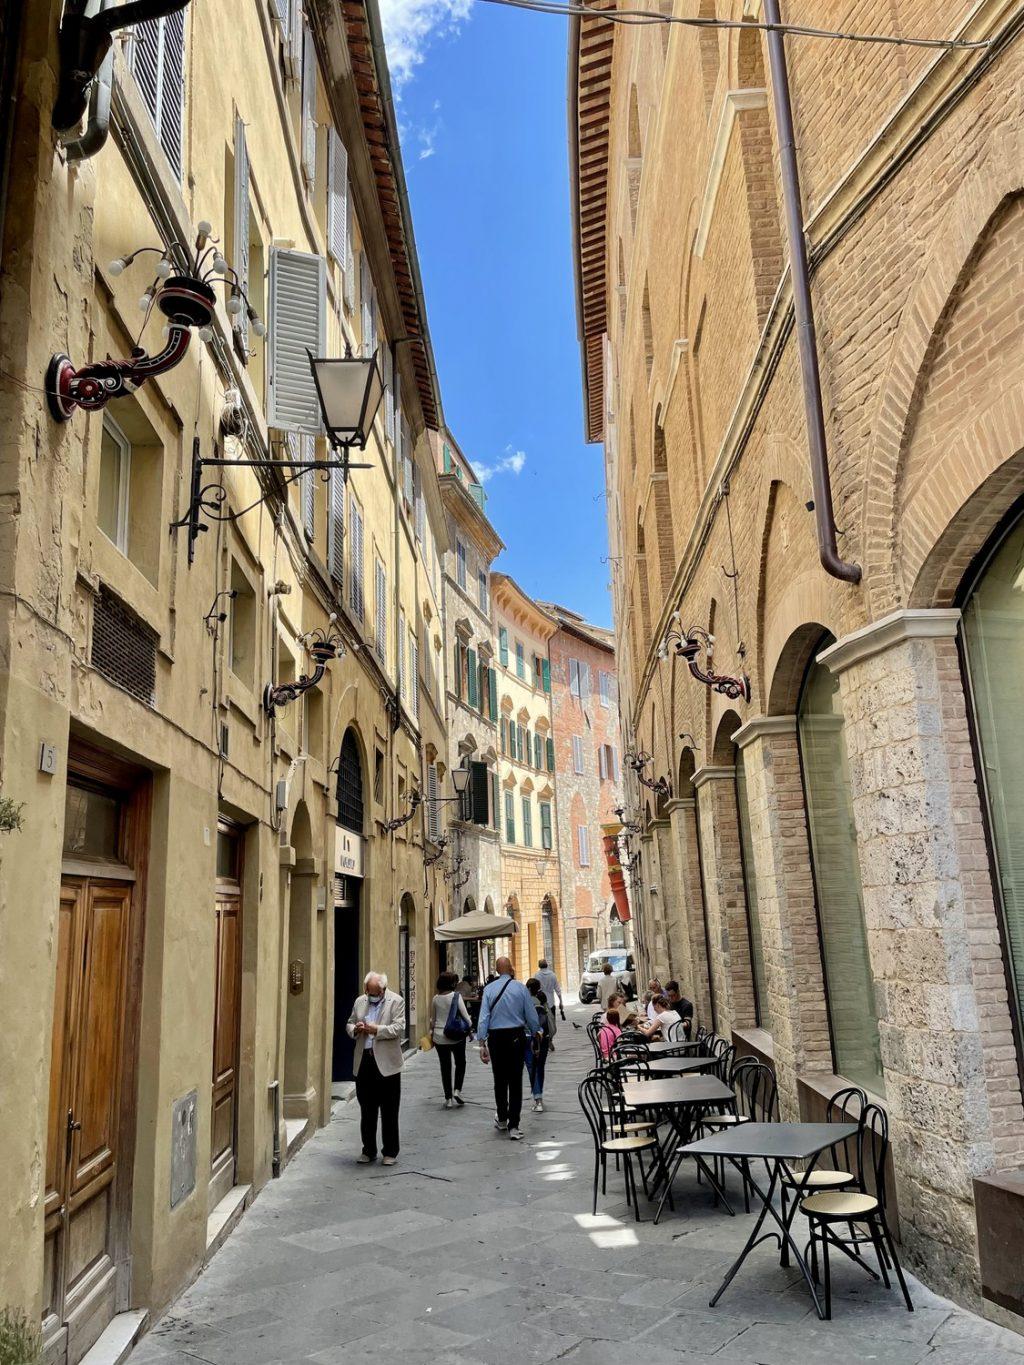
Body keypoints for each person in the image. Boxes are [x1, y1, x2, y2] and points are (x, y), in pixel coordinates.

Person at [477, 956, 541, 1140]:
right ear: (511, 968)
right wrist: (536, 1033)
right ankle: (514, 1125)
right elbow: (531, 1015)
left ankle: (502, 1118)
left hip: (496, 1038)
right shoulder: (520, 988)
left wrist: (482, 1043)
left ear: (497, 971)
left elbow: (483, 1018)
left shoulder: (489, 989)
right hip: (516, 1037)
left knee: (499, 1079)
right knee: (515, 1080)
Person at [347, 972, 406, 1165]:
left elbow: (398, 1028)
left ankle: (390, 1152)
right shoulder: (360, 1001)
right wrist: (356, 1028)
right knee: (367, 1109)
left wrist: (376, 1030)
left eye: (373, 992)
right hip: (365, 1061)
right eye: (367, 991)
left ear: (382, 990)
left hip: (387, 1064)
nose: (369, 995)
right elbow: (349, 1022)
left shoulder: (396, 1001)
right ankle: (368, 1150)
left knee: (390, 1110)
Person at [431, 970, 472, 1109]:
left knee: (445, 1066)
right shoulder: (456, 996)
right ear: (452, 983)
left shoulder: (435, 998)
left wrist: (432, 1034)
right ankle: (457, 1091)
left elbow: (433, 1020)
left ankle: (448, 1099)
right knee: (461, 1063)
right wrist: (469, 1028)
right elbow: (467, 1018)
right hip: (455, 1036)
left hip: (439, 1037)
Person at [524, 977, 553, 1111]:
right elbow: (550, 1020)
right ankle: (539, 1093)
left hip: (530, 1037)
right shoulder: (543, 1001)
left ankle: (538, 1099)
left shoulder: (525, 1001)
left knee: (532, 1068)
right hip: (544, 1038)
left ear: (528, 989)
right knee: (540, 1066)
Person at [535, 958, 564, 1050]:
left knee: (541, 1022)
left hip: (540, 1002)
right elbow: (558, 989)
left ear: (539, 966)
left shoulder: (537, 975)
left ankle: (544, 1040)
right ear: (547, 965)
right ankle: (550, 1039)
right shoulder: (552, 975)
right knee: (551, 1022)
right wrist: (561, 1001)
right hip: (551, 1002)